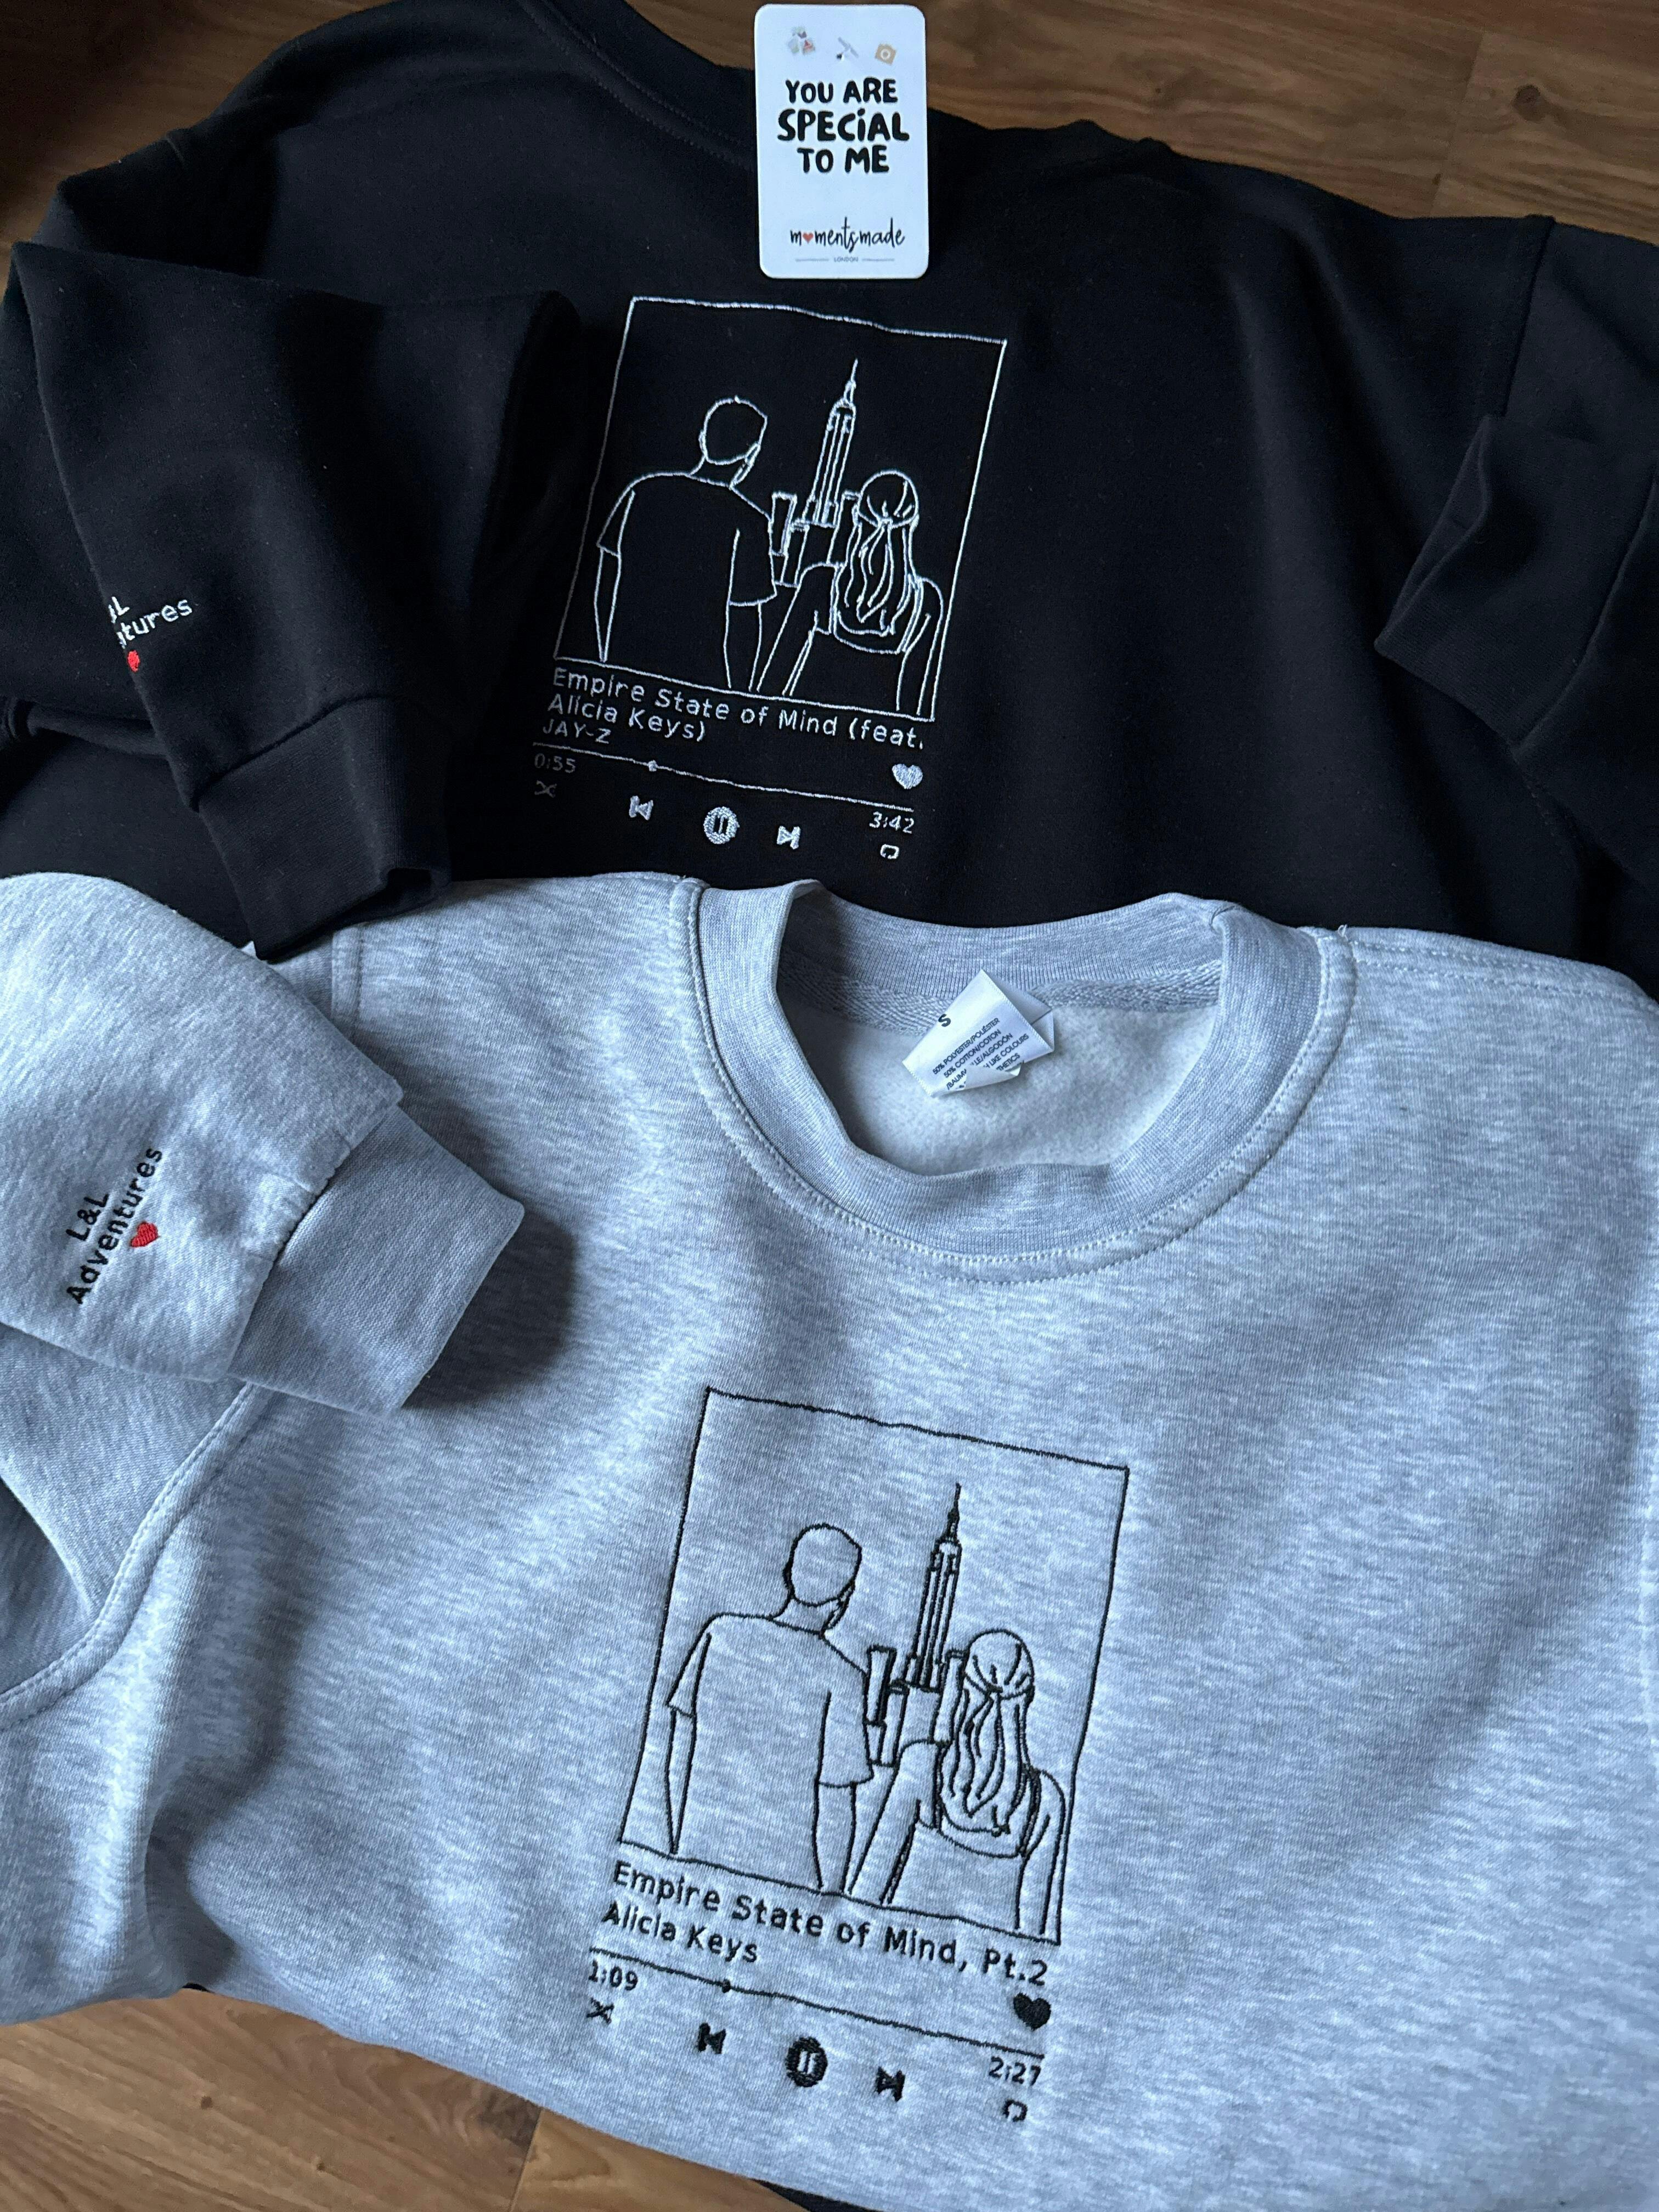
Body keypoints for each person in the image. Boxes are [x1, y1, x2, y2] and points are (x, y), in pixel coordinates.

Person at [664, 1524, 872, 1892]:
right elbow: (836, 1804)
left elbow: (679, 1756)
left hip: (697, 1858)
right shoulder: (843, 1678)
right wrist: (832, 1896)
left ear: (788, 1572)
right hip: (786, 1878)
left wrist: (681, 1843)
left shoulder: (719, 1634)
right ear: (844, 1599)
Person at [850, 1629, 1066, 1939]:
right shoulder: (1046, 1802)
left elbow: (867, 1892)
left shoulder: (922, 1765)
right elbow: (1035, 1934)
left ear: (963, 1689)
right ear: (1026, 1700)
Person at [592, 396, 775, 691]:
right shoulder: (750, 522)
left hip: (626, 667)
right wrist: (739, 695)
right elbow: (744, 621)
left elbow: (606, 585)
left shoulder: (641, 492)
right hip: (699, 681)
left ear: (703, 439)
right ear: (751, 456)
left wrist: (607, 656)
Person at [760, 469, 945, 715]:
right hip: (875, 735)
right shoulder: (926, 602)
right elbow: (915, 704)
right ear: (911, 526)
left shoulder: (821, 581)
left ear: (857, 517)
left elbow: (775, 679)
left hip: (803, 725)